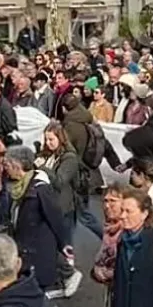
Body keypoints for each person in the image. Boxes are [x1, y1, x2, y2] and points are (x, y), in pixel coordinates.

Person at [4, 146, 82, 298]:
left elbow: (56, 218)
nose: (5, 169)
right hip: (25, 247)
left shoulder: (40, 189)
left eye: (6, 165)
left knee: (32, 292)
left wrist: (65, 245)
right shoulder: (20, 187)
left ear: (16, 166)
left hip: (37, 249)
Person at [61, 93, 104, 240]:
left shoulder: (70, 126)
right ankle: (67, 248)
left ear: (64, 108)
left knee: (83, 214)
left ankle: (108, 237)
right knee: (72, 213)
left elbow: (65, 148)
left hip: (76, 174)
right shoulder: (87, 119)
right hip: (85, 172)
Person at [34, 121, 80, 243]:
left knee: (65, 242)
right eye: (46, 139)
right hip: (50, 203)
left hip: (63, 207)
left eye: (51, 139)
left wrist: (43, 167)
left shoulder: (70, 158)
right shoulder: (50, 154)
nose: (48, 143)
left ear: (60, 138)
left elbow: (59, 181)